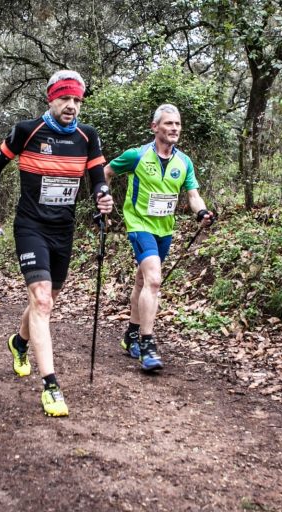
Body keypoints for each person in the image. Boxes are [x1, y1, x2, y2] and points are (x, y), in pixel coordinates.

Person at [0, 70, 114, 417]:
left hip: (63, 229)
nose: (71, 106)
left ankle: (19, 342)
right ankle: (51, 387)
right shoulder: (27, 131)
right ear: (51, 99)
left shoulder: (88, 136)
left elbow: (97, 179)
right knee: (41, 300)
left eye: (77, 100)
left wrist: (103, 198)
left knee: (47, 301)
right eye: (65, 99)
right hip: (30, 226)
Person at [105, 103, 215, 372]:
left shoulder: (184, 161)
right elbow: (106, 171)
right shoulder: (136, 155)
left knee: (143, 281)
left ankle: (131, 333)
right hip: (139, 224)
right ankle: (147, 344)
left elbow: (192, 194)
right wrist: (103, 202)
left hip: (165, 228)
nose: (174, 128)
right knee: (154, 280)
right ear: (155, 127)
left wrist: (201, 211)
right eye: (168, 123)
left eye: (177, 124)